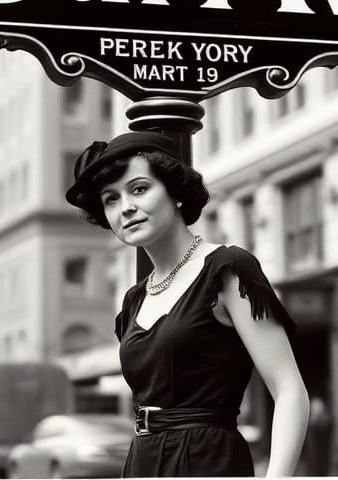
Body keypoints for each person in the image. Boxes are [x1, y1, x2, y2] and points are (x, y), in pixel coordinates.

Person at [66, 131, 308, 477]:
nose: (126, 208)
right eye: (111, 199)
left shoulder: (226, 269)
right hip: (144, 462)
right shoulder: (135, 299)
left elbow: (288, 390)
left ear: (176, 193)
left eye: (139, 189)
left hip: (207, 460)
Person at [299, 396, 333, 475]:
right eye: (315, 408)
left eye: (319, 408)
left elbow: (328, 425)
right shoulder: (308, 425)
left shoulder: (325, 425)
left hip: (323, 461)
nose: (317, 411)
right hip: (310, 461)